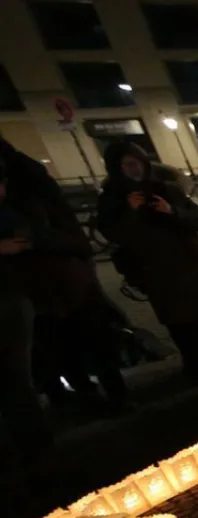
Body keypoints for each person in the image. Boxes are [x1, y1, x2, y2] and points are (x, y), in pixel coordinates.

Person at [97, 142, 198, 390]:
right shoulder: (112, 201)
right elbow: (116, 237)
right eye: (126, 164)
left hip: (197, 270)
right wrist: (131, 213)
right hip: (161, 278)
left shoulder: (166, 190)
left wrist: (173, 211)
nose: (133, 169)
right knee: (186, 332)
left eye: (136, 162)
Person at [1, 149, 131, 423]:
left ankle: (114, 397)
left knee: (95, 346)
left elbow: (79, 245)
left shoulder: (42, 209)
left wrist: (37, 240)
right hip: (37, 297)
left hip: (70, 290)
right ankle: (87, 399)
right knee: (62, 353)